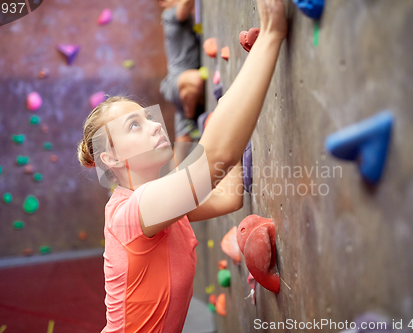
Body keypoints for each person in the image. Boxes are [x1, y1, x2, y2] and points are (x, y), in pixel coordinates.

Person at [76, 0, 287, 331]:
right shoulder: (132, 213)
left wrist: (232, 114)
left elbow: (229, 195)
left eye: (148, 117)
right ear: (110, 159)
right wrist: (273, 32)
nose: (156, 126)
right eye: (135, 126)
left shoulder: (158, 203)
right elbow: (217, 156)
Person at [157, 0, 205, 147]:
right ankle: (189, 117)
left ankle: (187, 115)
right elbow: (186, 4)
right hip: (176, 81)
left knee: (183, 146)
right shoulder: (170, 16)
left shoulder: (183, 19)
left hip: (184, 86)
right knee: (196, 80)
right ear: (163, 2)